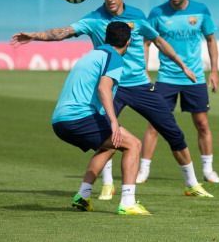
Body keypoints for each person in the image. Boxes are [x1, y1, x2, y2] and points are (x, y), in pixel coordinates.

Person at [11, 0, 213, 200]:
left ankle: (192, 183)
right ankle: (105, 185)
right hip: (110, 88)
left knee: (173, 132)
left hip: (140, 86)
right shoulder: (94, 18)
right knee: (108, 139)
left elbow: (158, 40)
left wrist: (182, 65)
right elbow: (63, 33)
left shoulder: (137, 16)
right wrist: (35, 36)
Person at [50, 21, 149, 215]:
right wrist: (113, 122)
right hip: (78, 117)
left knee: (110, 146)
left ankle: (83, 196)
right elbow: (103, 88)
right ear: (129, 42)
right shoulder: (114, 57)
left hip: (59, 120)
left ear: (106, 38)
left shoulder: (93, 54)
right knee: (134, 145)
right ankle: (128, 202)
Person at [134, 0, 219, 184]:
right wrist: (143, 70)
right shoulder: (157, 13)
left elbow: (211, 40)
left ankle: (208, 170)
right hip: (167, 78)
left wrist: (215, 70)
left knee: (201, 123)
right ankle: (143, 170)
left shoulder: (201, 11)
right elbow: (145, 42)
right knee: (154, 124)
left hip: (194, 78)